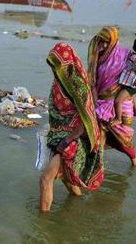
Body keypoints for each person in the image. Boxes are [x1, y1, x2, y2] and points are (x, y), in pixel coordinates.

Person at [40, 43, 104, 211]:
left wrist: (67, 140)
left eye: (57, 65)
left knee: (46, 180)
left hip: (77, 138)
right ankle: (81, 206)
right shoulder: (57, 84)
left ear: (67, 65)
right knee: (66, 179)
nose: (54, 69)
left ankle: (42, 226)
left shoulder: (79, 87)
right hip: (60, 135)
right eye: (52, 65)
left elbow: (88, 119)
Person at [87, 26, 136, 166]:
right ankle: (99, 164)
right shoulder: (97, 57)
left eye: (106, 42)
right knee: (100, 134)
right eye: (101, 41)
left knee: (124, 138)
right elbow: (92, 83)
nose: (103, 45)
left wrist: (134, 104)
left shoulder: (128, 56)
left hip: (123, 105)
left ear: (114, 41)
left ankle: (134, 162)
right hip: (102, 103)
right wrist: (93, 104)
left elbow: (133, 80)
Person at [112, 36, 136, 126]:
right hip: (131, 84)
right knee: (131, 96)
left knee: (118, 101)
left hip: (131, 85)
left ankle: (118, 119)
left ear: (134, 46)